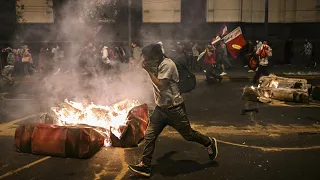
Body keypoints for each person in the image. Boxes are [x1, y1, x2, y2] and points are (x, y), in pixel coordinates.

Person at [128, 44, 218, 177]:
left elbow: (161, 86)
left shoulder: (167, 65)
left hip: (174, 109)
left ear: (156, 56)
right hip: (160, 109)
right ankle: (145, 166)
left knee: (188, 135)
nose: (146, 60)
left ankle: (209, 142)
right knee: (149, 136)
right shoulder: (156, 63)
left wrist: (147, 70)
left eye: (148, 57)